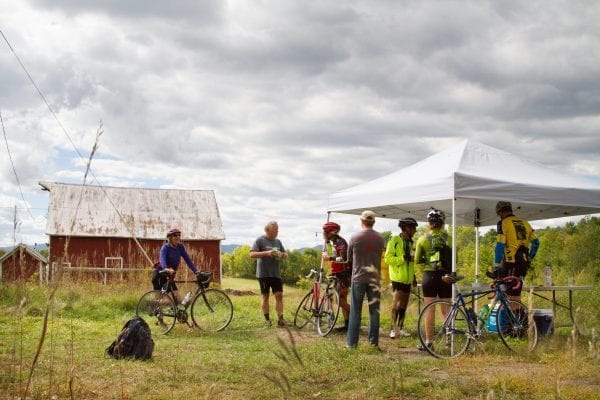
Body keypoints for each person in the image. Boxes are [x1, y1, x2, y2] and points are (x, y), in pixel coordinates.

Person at [346, 210, 385, 349]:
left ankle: (352, 344)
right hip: (374, 279)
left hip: (358, 277)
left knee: (355, 311)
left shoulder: (354, 237)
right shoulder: (380, 238)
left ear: (361, 221)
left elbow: (349, 258)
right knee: (374, 312)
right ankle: (373, 343)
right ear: (373, 221)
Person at [414, 209, 452, 351]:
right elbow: (455, 259)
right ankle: (449, 340)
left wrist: (429, 259)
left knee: (429, 310)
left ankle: (429, 341)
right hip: (445, 276)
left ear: (429, 223)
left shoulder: (423, 239)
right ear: (442, 223)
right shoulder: (449, 239)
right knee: (446, 309)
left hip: (429, 276)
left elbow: (417, 260)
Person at [486, 201, 540, 303]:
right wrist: (529, 259)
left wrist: (496, 265)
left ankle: (513, 318)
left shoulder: (503, 223)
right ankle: (515, 318)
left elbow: (500, 245)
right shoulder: (525, 223)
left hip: (510, 264)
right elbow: (536, 243)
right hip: (523, 264)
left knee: (510, 298)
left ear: (499, 212)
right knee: (513, 295)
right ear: (510, 210)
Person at [384, 217, 418, 339]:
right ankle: (393, 329)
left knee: (404, 304)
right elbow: (387, 259)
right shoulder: (394, 240)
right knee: (397, 303)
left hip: (408, 278)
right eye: (413, 227)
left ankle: (401, 328)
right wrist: (402, 258)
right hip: (397, 277)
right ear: (406, 228)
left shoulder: (411, 242)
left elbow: (412, 262)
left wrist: (414, 277)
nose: (415, 230)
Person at [250, 221, 288, 327]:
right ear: (267, 230)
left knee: (279, 295)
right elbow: (252, 254)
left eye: (277, 229)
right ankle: (267, 320)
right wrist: (267, 253)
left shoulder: (278, 242)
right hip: (263, 274)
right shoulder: (260, 240)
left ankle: (281, 319)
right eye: (275, 230)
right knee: (265, 297)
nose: (277, 232)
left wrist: (282, 254)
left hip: (276, 273)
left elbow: (286, 255)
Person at [152, 227, 200, 305]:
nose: (177, 237)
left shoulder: (180, 247)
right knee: (162, 301)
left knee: (178, 300)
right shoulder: (165, 247)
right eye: (175, 235)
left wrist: (195, 271)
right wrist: (165, 268)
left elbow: (187, 259)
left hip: (169, 276)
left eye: (179, 235)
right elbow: (162, 259)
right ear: (170, 238)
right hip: (160, 274)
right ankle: (153, 305)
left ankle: (157, 306)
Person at [322, 221, 351, 332]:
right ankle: (347, 325)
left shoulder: (340, 242)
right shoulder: (330, 241)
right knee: (341, 299)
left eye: (325, 231)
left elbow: (343, 259)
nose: (323, 233)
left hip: (343, 274)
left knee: (339, 300)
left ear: (332, 232)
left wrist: (329, 258)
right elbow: (331, 254)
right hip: (335, 273)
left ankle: (355, 315)